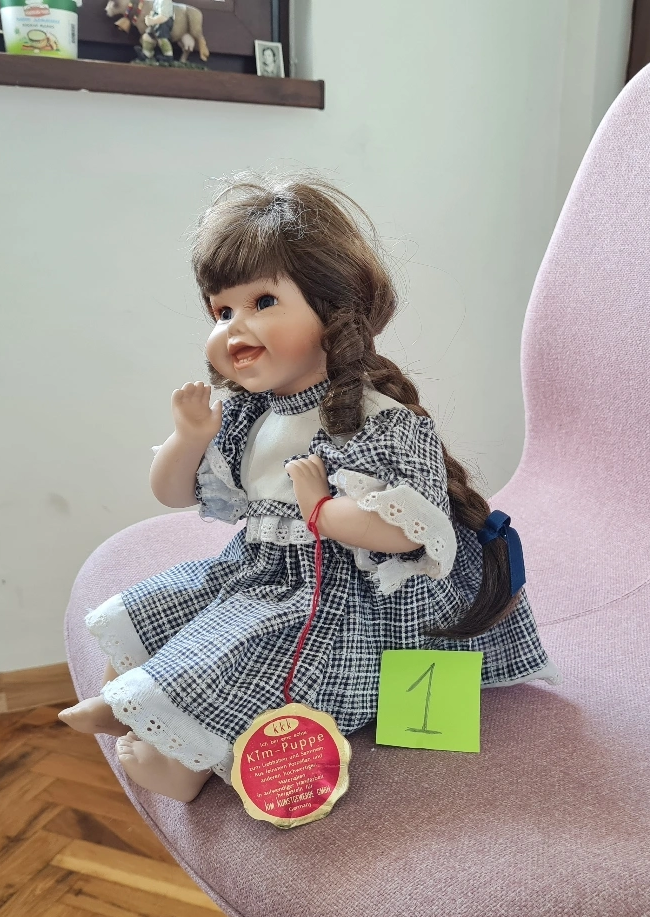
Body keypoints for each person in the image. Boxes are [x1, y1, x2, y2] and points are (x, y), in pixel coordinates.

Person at [60, 170, 560, 802]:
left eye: (263, 303)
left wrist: (323, 510)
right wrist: (189, 438)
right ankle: (130, 702)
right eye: (222, 310)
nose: (234, 326)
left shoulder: (379, 422)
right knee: (159, 606)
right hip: (259, 569)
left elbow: (408, 533)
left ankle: (181, 766)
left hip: (342, 595)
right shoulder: (246, 413)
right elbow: (174, 494)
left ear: (332, 309)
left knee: (245, 648)